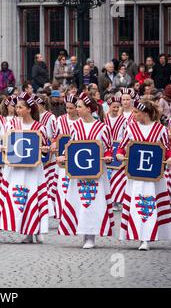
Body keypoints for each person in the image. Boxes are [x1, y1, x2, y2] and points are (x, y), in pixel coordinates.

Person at [57, 92, 114, 249]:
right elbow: (71, 145)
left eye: (79, 106)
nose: (76, 109)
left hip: (96, 172)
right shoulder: (75, 126)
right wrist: (63, 156)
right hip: (79, 171)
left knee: (94, 202)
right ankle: (84, 232)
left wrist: (108, 157)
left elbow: (108, 148)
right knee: (80, 201)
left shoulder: (102, 128)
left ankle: (92, 235)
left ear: (89, 109)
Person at [116, 100, 171, 251]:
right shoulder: (131, 128)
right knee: (136, 204)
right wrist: (119, 155)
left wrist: (170, 158)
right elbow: (122, 147)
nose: (133, 115)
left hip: (153, 176)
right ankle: (139, 235)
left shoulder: (159, 129)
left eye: (136, 112)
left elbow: (167, 149)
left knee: (150, 204)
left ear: (145, 113)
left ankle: (147, 237)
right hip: (135, 174)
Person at [0, 92, 51, 243]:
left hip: (32, 170)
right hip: (15, 168)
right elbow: (4, 143)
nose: (17, 110)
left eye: (20, 107)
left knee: (32, 198)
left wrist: (45, 150)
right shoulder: (11, 124)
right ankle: (15, 225)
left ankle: (33, 231)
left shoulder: (40, 128)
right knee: (16, 198)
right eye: (16, 107)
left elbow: (45, 150)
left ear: (29, 109)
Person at [51, 93, 79, 219]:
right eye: (67, 108)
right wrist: (53, 144)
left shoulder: (80, 121)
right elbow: (55, 136)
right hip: (61, 158)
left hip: (76, 157)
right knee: (62, 185)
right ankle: (61, 210)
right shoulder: (60, 120)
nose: (69, 111)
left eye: (71, 108)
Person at [0, 95, 17, 204]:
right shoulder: (1, 118)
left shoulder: (18, 119)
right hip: (3, 148)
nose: (14, 107)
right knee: (3, 174)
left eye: (16, 105)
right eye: (12, 105)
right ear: (7, 106)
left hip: (15, 148)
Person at [104, 95, 127, 212]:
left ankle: (118, 200)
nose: (116, 109)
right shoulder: (104, 118)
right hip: (107, 149)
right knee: (107, 175)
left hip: (118, 149)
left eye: (118, 107)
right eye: (114, 107)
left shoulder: (123, 120)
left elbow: (125, 134)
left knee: (118, 176)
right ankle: (108, 200)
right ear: (109, 106)